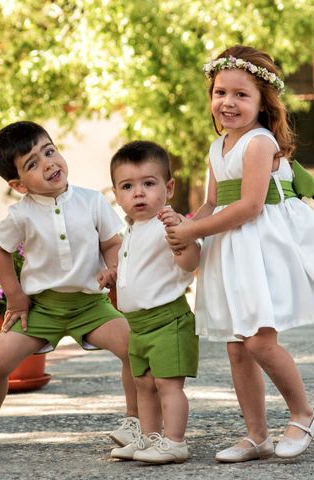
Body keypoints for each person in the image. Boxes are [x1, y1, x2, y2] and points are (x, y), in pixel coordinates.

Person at [165, 45, 314, 462]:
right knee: (238, 346)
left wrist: (195, 229)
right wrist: (183, 230)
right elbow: (213, 202)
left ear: (263, 102)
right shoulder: (216, 147)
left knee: (259, 341)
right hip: (230, 248)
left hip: (261, 245)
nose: (228, 102)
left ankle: (304, 414)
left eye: (241, 94)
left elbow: (249, 206)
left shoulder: (259, 143)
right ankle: (257, 436)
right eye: (220, 92)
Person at [0, 121, 139, 454]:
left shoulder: (92, 201)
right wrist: (16, 296)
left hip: (91, 307)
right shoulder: (21, 214)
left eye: (49, 151)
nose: (48, 163)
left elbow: (111, 242)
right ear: (19, 185)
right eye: (33, 163)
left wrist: (114, 268)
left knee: (136, 350)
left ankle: (136, 422)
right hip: (41, 309)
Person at [105, 141, 200, 464]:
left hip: (167, 320)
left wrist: (182, 238)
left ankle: (175, 440)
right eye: (128, 186)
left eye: (149, 183)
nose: (138, 193)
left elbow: (189, 262)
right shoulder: (132, 229)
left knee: (167, 385)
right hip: (139, 325)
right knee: (143, 383)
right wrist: (114, 275)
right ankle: (150, 438)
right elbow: (139, 269)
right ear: (117, 195)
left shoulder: (167, 224)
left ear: (168, 187)